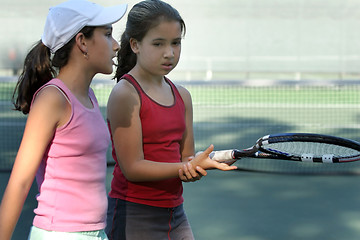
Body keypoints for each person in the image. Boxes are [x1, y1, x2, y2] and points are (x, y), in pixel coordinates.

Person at [105, 0, 237, 239]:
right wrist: (185, 167)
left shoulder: (183, 96)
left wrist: (194, 167)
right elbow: (133, 168)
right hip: (134, 214)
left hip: (175, 214)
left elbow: (185, 157)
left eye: (176, 43)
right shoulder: (125, 93)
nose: (170, 53)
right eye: (158, 44)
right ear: (135, 44)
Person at [0, 0, 127, 239]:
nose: (117, 45)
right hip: (59, 233)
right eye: (108, 34)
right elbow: (19, 183)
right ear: (82, 42)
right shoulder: (52, 98)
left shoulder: (88, 95)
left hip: (96, 232)